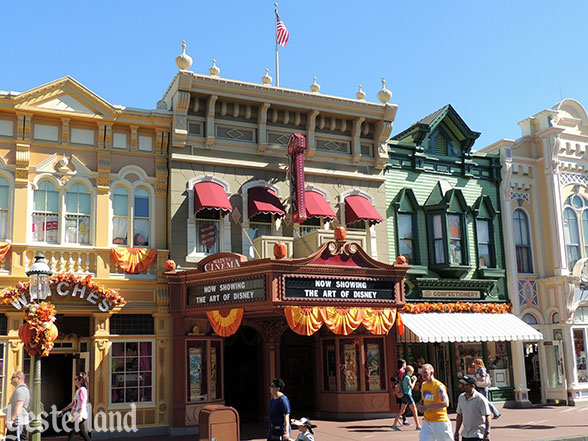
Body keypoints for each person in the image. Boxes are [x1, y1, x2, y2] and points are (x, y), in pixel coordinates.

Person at [416, 364, 453, 441]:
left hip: (440, 422)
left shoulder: (439, 386)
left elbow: (445, 403)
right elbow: (424, 399)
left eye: (425, 372)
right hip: (427, 422)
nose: (423, 374)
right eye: (422, 372)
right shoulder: (424, 385)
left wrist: (427, 407)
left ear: (431, 373)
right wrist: (419, 404)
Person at [454, 375, 491, 441]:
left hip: (477, 434)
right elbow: (459, 415)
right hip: (465, 434)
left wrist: (487, 432)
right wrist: (456, 431)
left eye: (465, 384)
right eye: (462, 384)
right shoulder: (461, 397)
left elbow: (487, 415)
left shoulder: (480, 399)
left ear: (473, 386)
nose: (463, 386)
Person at [59, 372, 92, 441]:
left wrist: (80, 416)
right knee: (83, 433)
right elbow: (73, 404)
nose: (74, 380)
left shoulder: (82, 390)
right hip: (76, 413)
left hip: (79, 414)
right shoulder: (78, 391)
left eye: (75, 379)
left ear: (80, 380)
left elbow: (83, 403)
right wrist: (63, 410)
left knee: (71, 432)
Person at [391, 365, 421, 431]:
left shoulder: (404, 377)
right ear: (409, 371)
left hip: (404, 395)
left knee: (401, 411)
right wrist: (415, 381)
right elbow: (412, 387)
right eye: (412, 372)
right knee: (414, 410)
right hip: (408, 395)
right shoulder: (407, 378)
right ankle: (418, 425)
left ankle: (394, 424)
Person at [5, 371, 30, 441]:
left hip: (18, 424)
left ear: (18, 378)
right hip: (16, 424)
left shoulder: (21, 390)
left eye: (12, 377)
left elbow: (19, 406)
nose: (10, 379)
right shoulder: (19, 390)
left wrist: (11, 420)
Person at [393, 359, 410, 426]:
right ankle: (403, 419)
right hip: (403, 390)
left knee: (402, 405)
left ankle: (401, 418)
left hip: (398, 390)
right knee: (405, 405)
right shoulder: (402, 372)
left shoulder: (397, 372)